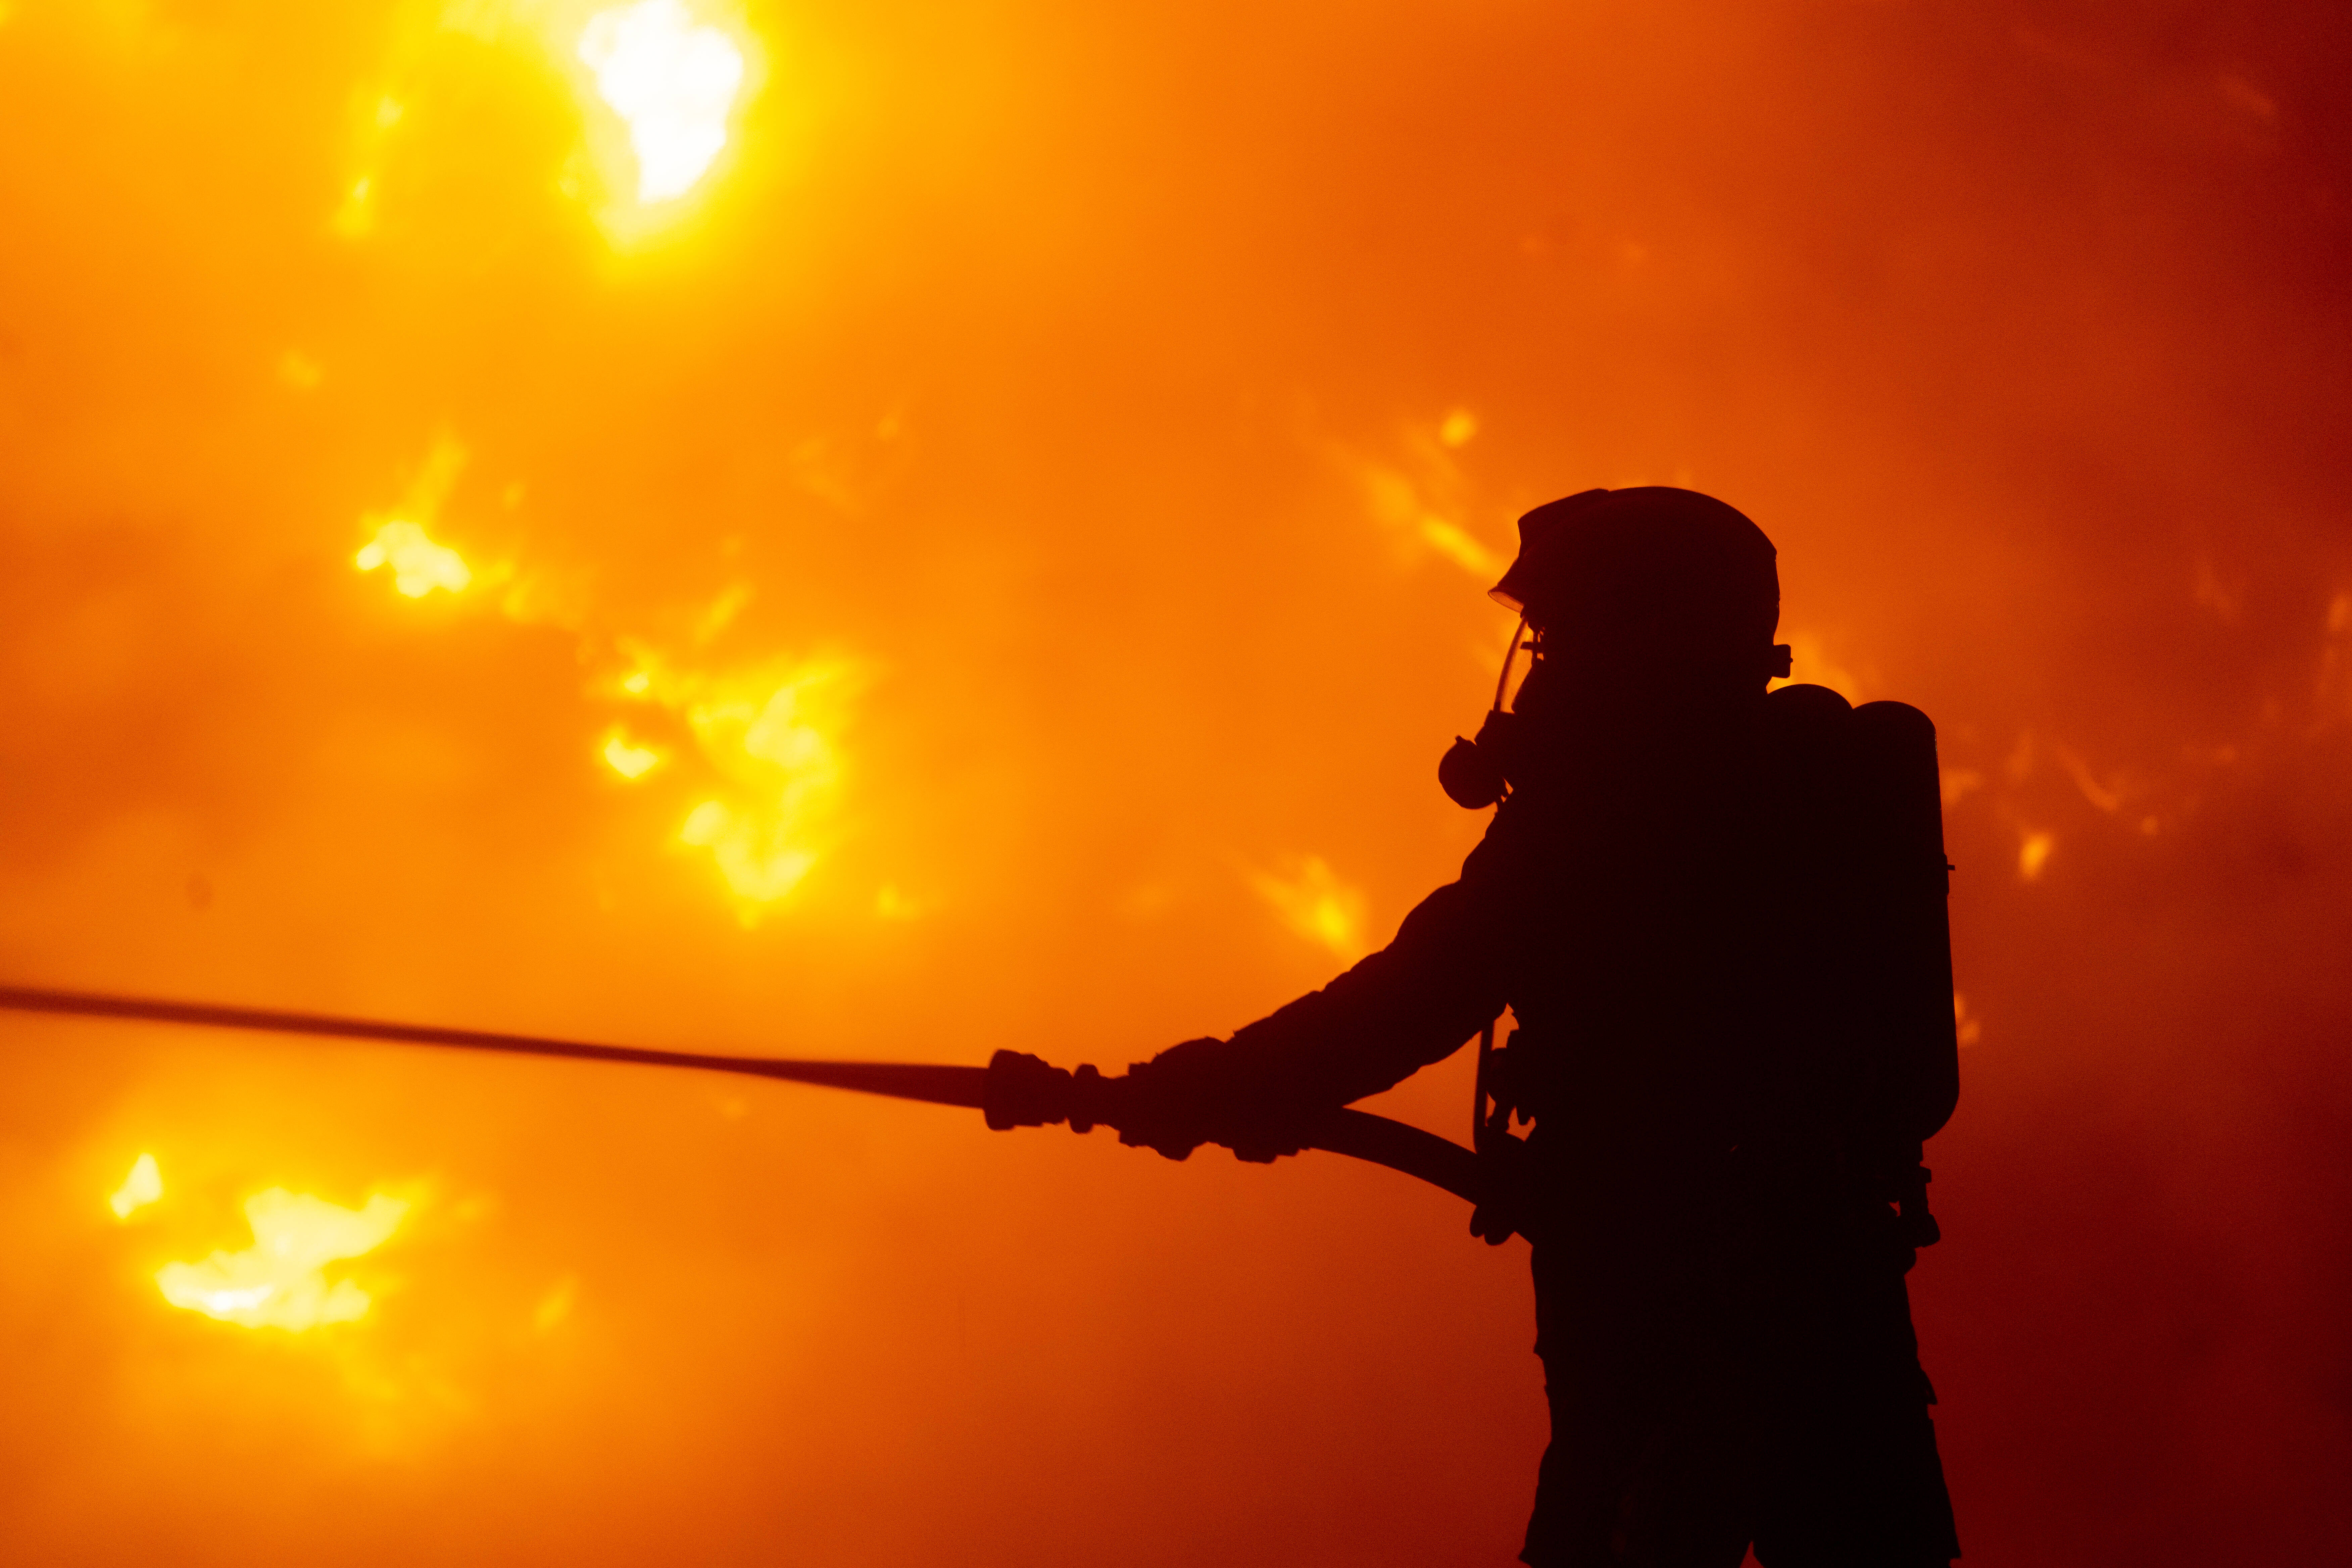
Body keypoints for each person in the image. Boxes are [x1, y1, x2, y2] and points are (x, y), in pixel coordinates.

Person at [1107, 488, 1962, 1566]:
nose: (1543, 661)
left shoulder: (1616, 802)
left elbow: (1425, 993)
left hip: (1657, 1291)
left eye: (1562, 629)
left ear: (1636, 629)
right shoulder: (1783, 785)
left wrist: (1218, 1082)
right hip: (1836, 1293)